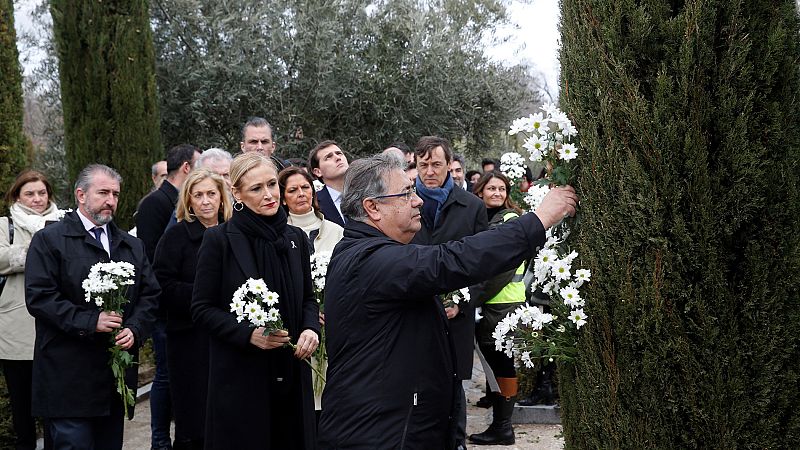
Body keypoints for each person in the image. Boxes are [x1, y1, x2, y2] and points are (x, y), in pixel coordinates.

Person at [318, 154, 577, 449]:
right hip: (380, 434)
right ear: (373, 207)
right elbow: (454, 260)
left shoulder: (369, 251)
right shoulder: (370, 259)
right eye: (406, 193)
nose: (418, 201)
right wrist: (538, 220)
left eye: (413, 190)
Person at [25, 164, 160, 449]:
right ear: (81, 195)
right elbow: (40, 297)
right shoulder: (49, 240)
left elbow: (150, 295)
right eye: (103, 192)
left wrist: (135, 330)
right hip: (67, 376)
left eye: (115, 194)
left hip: (112, 380)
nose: (110, 200)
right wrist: (90, 321)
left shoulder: (131, 245)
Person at [191, 153, 320, 450]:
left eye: (272, 184)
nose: (269, 195)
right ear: (236, 192)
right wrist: (248, 334)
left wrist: (310, 329)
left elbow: (308, 298)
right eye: (256, 188)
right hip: (243, 379)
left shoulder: (296, 238)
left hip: (292, 372)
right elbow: (201, 308)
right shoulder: (218, 241)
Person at [411, 136, 488, 449]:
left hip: (455, 318)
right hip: (413, 311)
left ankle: (455, 442)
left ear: (449, 166)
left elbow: (485, 264)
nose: (429, 171)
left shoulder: (472, 207)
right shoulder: (402, 202)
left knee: (454, 385)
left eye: (436, 164)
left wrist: (462, 300)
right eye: (423, 164)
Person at [152, 168, 231, 450]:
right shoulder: (175, 238)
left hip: (231, 337)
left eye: (211, 193)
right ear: (189, 201)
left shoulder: (236, 233)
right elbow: (161, 285)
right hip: (189, 340)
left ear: (222, 197)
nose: (206, 201)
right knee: (194, 420)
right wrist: (205, 295)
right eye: (198, 195)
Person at [136, 143, 201, 450]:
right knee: (165, 376)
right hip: (167, 308)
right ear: (187, 168)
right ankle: (160, 439)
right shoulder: (155, 203)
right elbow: (150, 259)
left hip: (189, 311)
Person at [1, 170, 60, 450]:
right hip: (16, 329)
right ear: (17, 196)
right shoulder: (5, 225)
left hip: (56, 327)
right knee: (22, 405)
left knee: (53, 405)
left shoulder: (63, 222)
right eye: (29, 193)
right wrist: (41, 247)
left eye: (42, 192)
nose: (37, 199)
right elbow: (2, 258)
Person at [469, 171, 527, 445]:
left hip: (502, 304)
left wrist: (474, 299)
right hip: (493, 304)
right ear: (480, 191)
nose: (497, 193)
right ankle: (500, 424)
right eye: (491, 188)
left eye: (502, 189)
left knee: (502, 366)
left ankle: (503, 427)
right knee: (495, 367)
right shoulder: (483, 219)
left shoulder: (508, 220)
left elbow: (501, 269)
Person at [278, 167, 344, 255]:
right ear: (283, 199)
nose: (301, 194)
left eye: (305, 187)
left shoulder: (337, 231)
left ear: (312, 192)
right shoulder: (279, 236)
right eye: (292, 190)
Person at [308, 140, 349, 227]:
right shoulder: (313, 203)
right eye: (328, 157)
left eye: (339, 153)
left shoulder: (367, 190)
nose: (338, 158)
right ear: (318, 171)